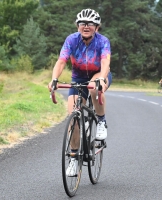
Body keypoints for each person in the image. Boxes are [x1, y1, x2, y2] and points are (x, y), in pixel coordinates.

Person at [48, 8, 112, 176]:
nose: (86, 26)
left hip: (99, 74)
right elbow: (61, 61)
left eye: (90, 23)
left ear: (96, 26)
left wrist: (101, 78)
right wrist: (54, 78)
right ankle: (74, 158)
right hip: (78, 78)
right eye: (82, 23)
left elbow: (105, 62)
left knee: (93, 87)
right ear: (77, 26)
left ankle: (101, 122)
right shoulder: (71, 40)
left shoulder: (102, 41)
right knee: (73, 119)